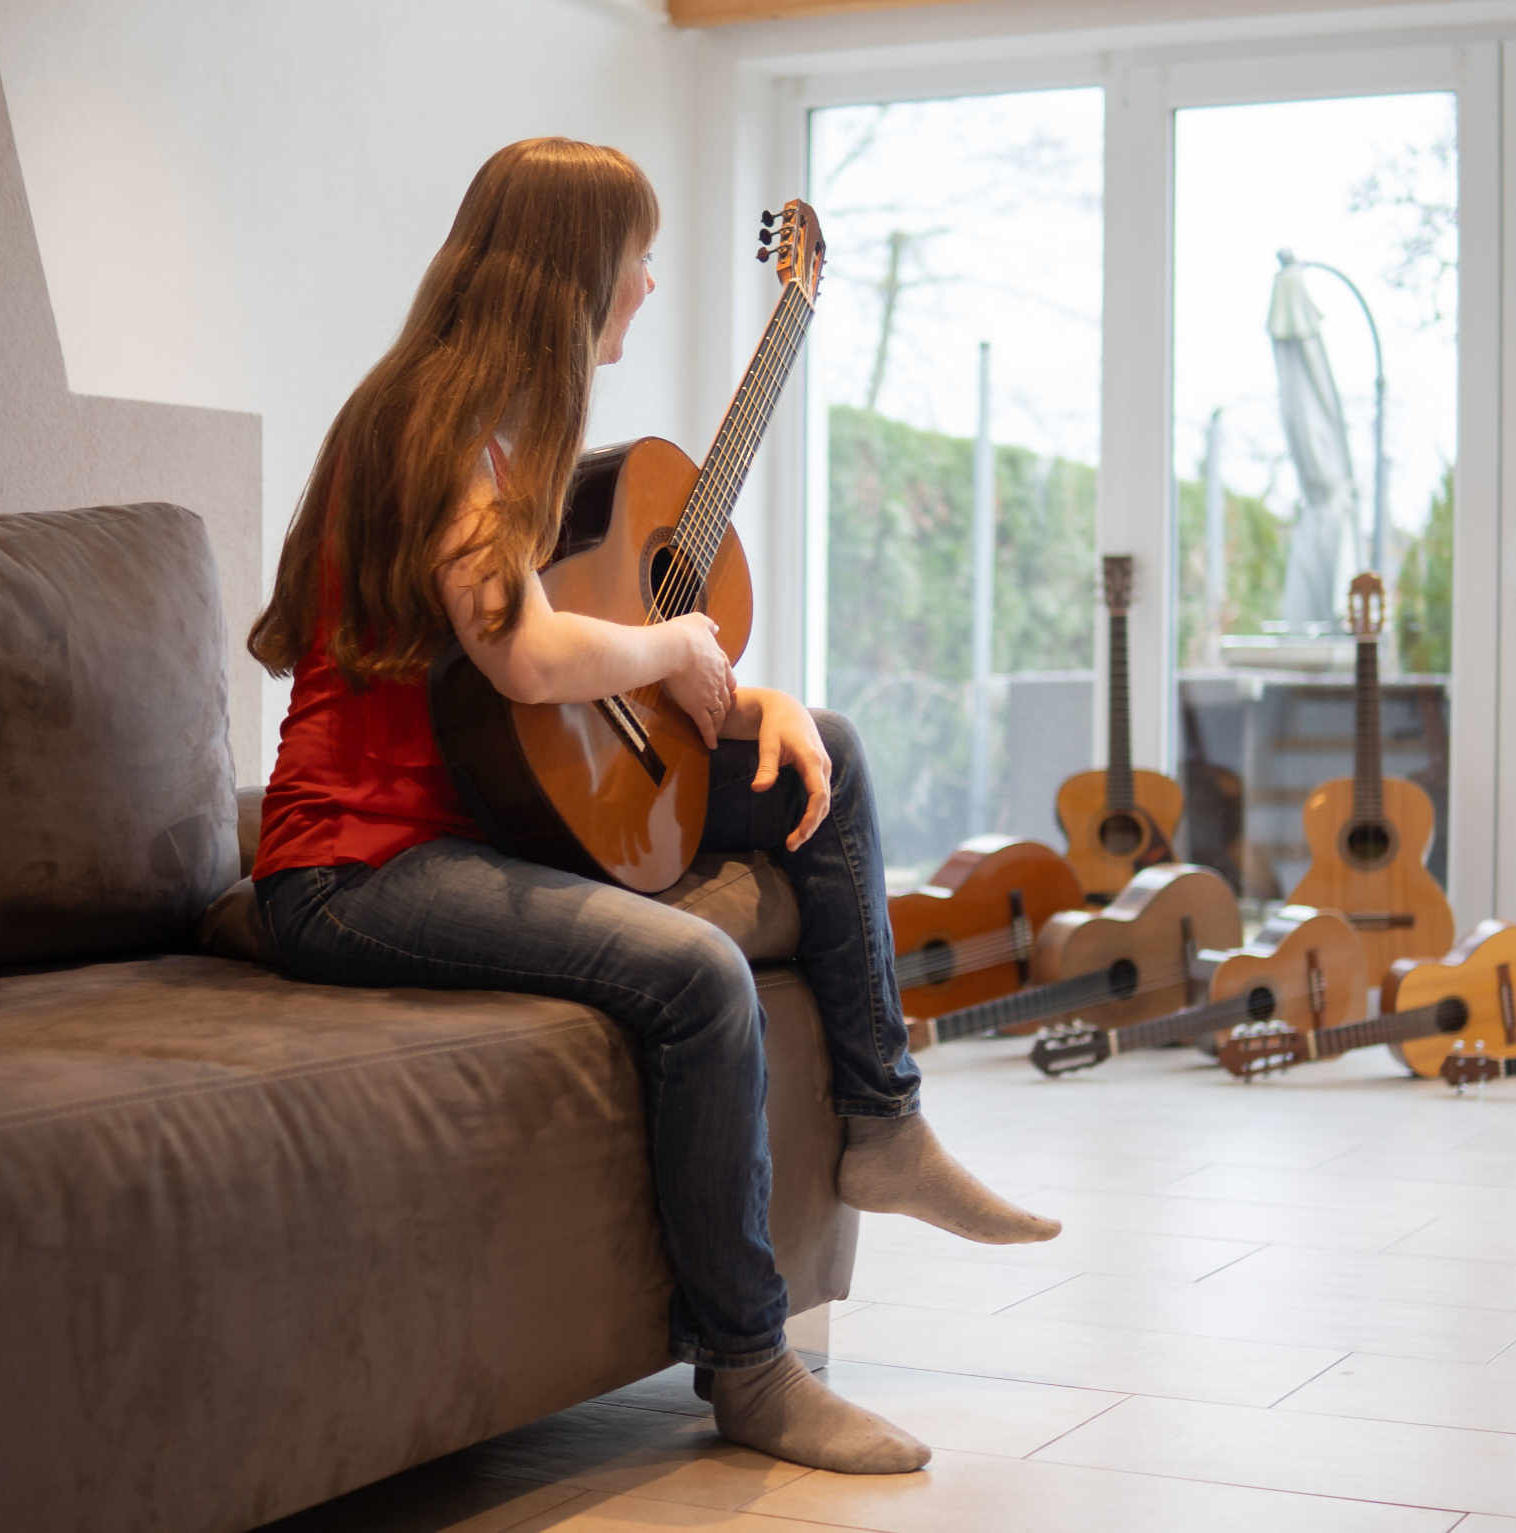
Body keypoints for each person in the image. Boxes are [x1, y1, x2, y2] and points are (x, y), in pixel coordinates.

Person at [245, 136, 1060, 1477]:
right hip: (354, 870)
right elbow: (525, 652)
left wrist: (749, 702)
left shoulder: (503, 437)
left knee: (831, 755)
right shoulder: (430, 423)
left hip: (468, 823)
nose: (650, 287)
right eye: (635, 263)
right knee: (695, 974)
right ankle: (749, 1367)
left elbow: (561, 668)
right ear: (574, 274)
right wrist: (682, 657)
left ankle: (885, 1122)